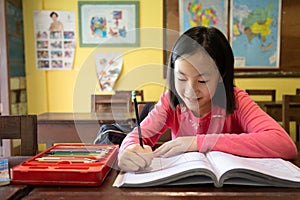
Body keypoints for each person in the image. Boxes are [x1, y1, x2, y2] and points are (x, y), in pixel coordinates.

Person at [118, 26, 298, 172]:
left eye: (202, 80)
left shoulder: (236, 100)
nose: (190, 91)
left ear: (221, 76)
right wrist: (127, 151)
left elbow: (284, 144)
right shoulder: (170, 101)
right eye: (181, 78)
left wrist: (199, 142)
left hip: (233, 188)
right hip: (183, 186)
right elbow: (136, 138)